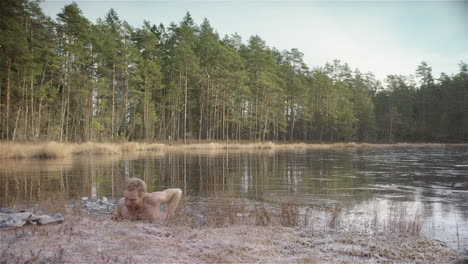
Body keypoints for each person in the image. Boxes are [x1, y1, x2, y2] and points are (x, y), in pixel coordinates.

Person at [113, 178, 182, 221]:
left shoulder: (154, 199)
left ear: (142, 196)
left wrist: (169, 214)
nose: (128, 203)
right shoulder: (121, 203)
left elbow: (177, 192)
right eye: (126, 198)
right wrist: (115, 216)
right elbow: (117, 216)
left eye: (132, 200)